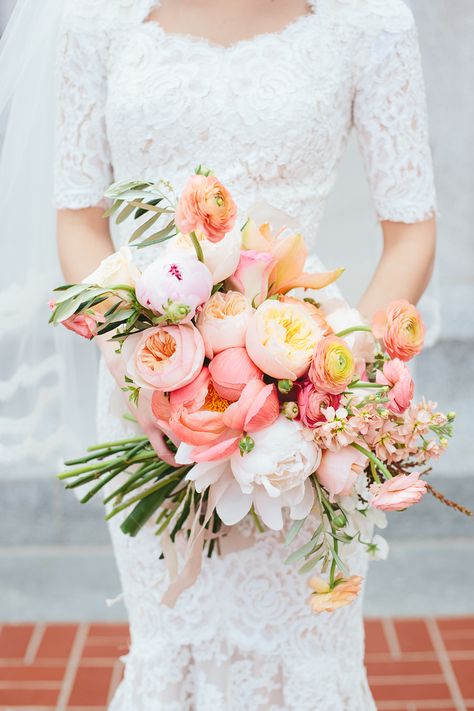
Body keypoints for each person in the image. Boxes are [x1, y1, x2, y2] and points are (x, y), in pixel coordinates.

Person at [53, 0, 436, 708]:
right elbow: (79, 220)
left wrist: (336, 378)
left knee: (306, 651)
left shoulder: (370, 19)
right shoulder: (94, 16)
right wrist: (135, 353)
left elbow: (411, 234)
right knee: (174, 643)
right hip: (151, 400)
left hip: (307, 416)